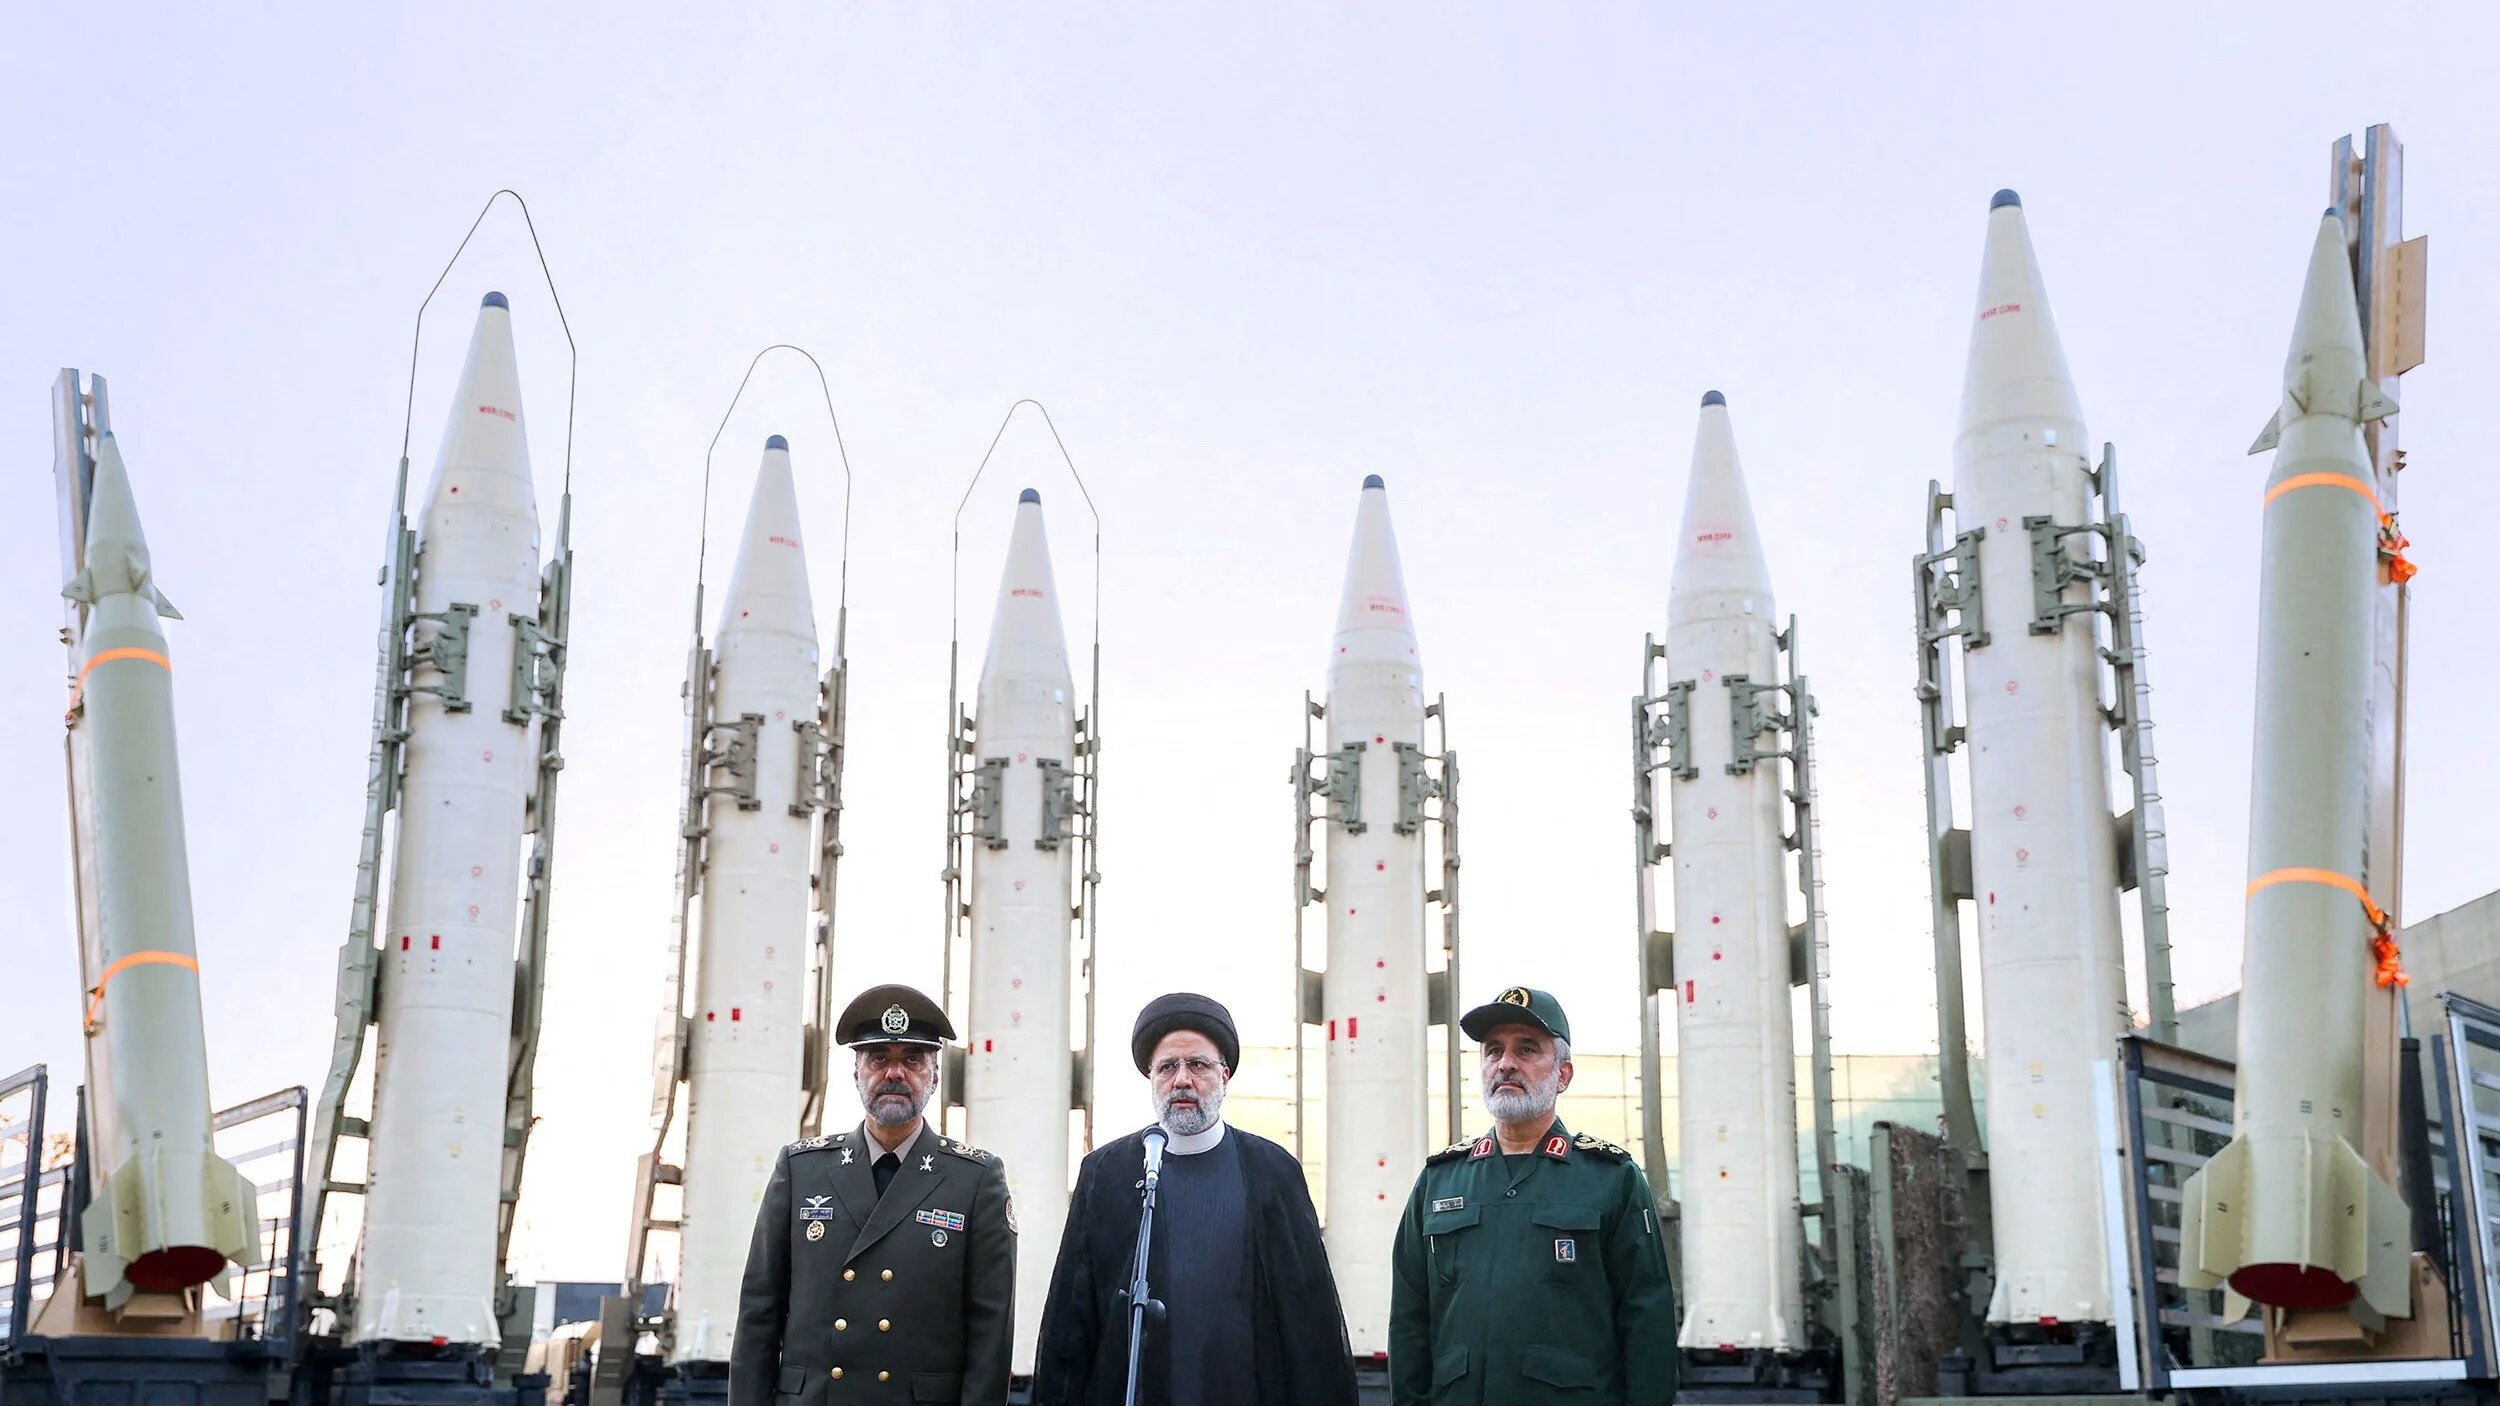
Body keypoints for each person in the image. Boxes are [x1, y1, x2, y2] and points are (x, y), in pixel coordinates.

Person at [1031, 992, 1358, 1406]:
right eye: (1167, 1067)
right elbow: (1071, 1317)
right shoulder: (1105, 1172)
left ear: (1225, 1076)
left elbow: (1312, 1322)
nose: (1182, 1079)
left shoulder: (1273, 1171)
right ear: (1152, 1079)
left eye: (1198, 1065)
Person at [1389, 985, 1677, 1405]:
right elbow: (1409, 1323)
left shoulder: (1612, 1180)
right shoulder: (1439, 1183)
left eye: (1527, 1050)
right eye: (1493, 1051)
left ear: (1563, 1075)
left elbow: (1647, 1323)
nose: (1505, 1064)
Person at [731, 983, 1014, 1404]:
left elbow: (991, 1332)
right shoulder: (801, 1169)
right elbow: (759, 1314)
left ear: (934, 1075)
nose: (895, 1073)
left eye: (913, 1060)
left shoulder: (974, 1179)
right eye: (879, 1058)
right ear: (857, 1072)